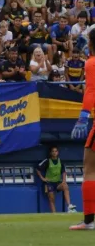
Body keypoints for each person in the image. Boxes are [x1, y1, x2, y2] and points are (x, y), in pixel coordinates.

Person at [70, 29, 95, 230]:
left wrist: (83, 116)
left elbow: (91, 90)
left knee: (89, 169)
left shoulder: (91, 63)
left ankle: (89, 220)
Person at [37, 146, 77, 213]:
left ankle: (70, 207)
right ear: (50, 153)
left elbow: (63, 172)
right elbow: (37, 168)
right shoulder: (47, 161)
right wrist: (42, 178)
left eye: (56, 151)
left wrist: (64, 180)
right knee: (51, 199)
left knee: (65, 186)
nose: (54, 153)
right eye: (53, 151)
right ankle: (54, 214)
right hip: (49, 183)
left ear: (58, 152)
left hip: (58, 183)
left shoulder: (60, 161)